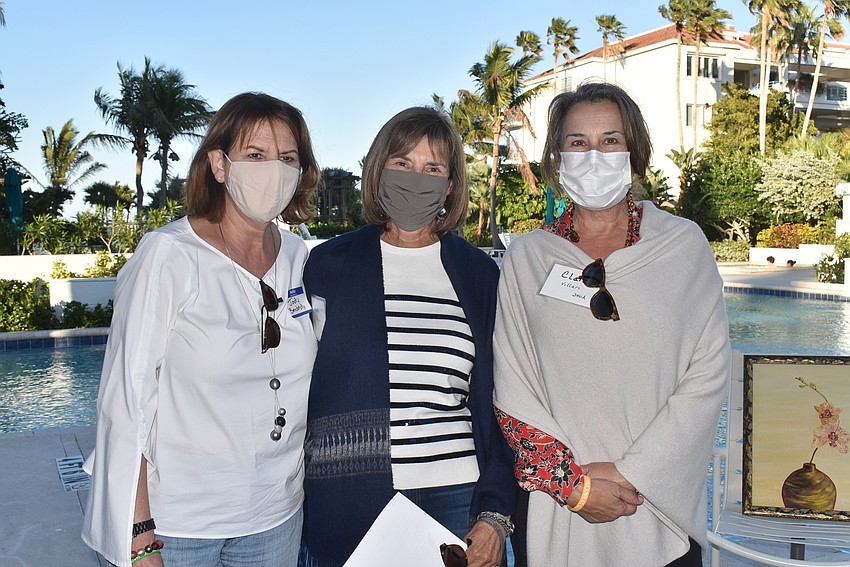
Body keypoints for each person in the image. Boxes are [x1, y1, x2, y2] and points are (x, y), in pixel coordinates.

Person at [493, 82, 729, 567]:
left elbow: (707, 374)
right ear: (558, 158)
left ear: (634, 152)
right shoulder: (528, 257)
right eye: (578, 142)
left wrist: (630, 473)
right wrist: (572, 485)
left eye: (610, 140)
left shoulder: (684, 247)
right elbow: (512, 384)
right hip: (561, 506)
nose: (593, 154)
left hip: (654, 508)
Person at [82, 92, 321, 567]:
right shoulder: (168, 255)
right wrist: (139, 534)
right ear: (219, 164)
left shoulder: (302, 258)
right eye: (255, 155)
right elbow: (125, 401)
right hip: (177, 529)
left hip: (275, 520)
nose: (272, 170)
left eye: (287, 158)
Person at [299, 107, 517, 567]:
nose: (416, 178)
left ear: (451, 184)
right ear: (378, 169)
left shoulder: (479, 274)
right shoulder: (327, 265)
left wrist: (495, 511)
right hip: (352, 496)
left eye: (433, 168)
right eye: (402, 163)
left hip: (459, 496)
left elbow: (503, 400)